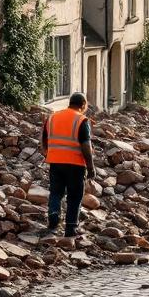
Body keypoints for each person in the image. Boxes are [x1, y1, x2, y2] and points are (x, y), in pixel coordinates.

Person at [44, 92, 96, 240]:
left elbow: (44, 138)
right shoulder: (81, 120)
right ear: (83, 105)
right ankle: (71, 227)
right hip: (75, 164)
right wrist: (91, 167)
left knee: (56, 192)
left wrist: (50, 154)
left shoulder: (53, 117)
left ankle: (53, 215)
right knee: (74, 196)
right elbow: (86, 145)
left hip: (55, 161)